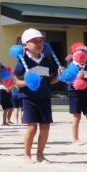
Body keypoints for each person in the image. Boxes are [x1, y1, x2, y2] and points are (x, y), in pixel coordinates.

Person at [14, 29, 59, 164]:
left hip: (45, 97)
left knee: (45, 127)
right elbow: (17, 82)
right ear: (25, 45)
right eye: (35, 41)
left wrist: (61, 77)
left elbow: (50, 80)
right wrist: (28, 82)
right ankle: (27, 155)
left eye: (41, 41)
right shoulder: (23, 61)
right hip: (29, 98)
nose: (39, 43)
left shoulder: (46, 59)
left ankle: (40, 155)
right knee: (32, 127)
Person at [65, 43, 87, 146]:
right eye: (81, 52)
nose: (83, 55)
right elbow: (67, 81)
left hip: (86, 93)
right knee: (77, 116)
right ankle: (75, 139)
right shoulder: (71, 66)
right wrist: (76, 78)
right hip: (74, 93)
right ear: (75, 53)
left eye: (85, 52)